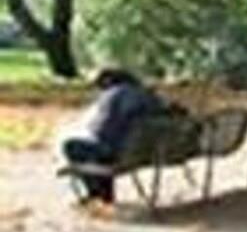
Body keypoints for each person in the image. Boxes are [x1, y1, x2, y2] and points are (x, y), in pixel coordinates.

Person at [60, 68, 175, 203]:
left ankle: (98, 195)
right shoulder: (150, 96)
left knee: (71, 145)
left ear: (108, 81)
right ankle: (103, 195)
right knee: (99, 152)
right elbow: (168, 112)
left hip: (116, 151)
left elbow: (102, 128)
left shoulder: (115, 94)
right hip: (142, 151)